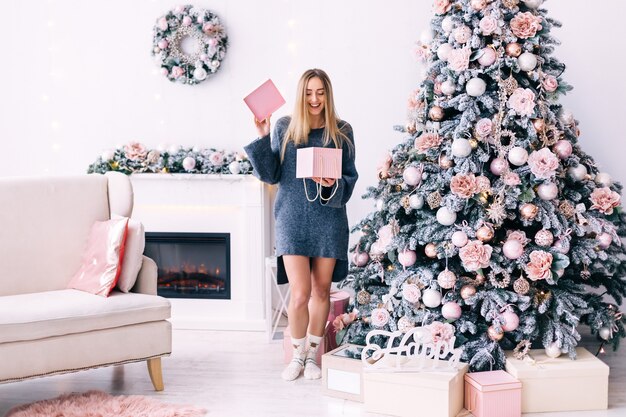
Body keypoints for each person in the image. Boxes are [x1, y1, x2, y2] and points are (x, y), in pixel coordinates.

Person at [244, 69, 358, 381]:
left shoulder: (342, 131)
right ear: (301, 94)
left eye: (320, 92)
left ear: (328, 94)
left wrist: (332, 182)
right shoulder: (285, 126)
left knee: (322, 291)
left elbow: (350, 177)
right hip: (292, 219)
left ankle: (312, 357)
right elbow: (270, 175)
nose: (315, 98)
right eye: (309, 92)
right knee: (299, 293)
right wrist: (263, 136)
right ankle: (296, 356)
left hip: (328, 219)